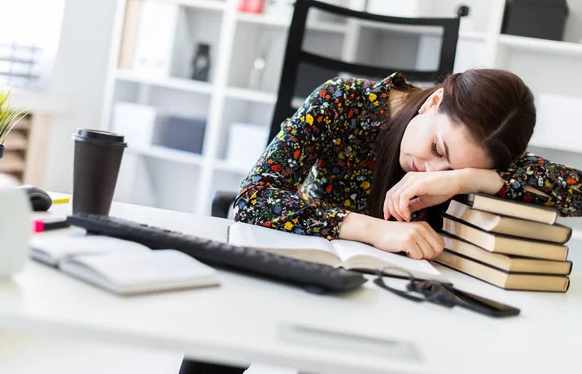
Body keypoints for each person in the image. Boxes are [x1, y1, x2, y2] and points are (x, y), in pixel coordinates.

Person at [233, 70, 582, 260]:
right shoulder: (341, 102)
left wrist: (467, 179)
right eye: (436, 148)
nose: (429, 173)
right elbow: (252, 198)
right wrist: (375, 230)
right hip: (306, 256)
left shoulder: (482, 152)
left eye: (450, 169)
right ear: (433, 102)